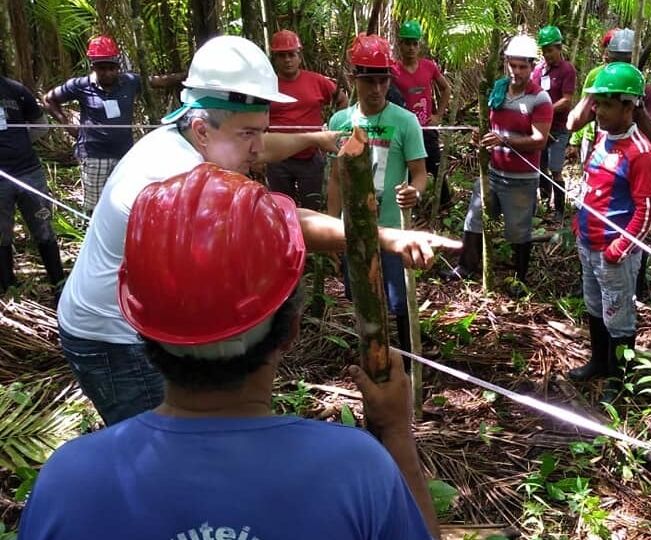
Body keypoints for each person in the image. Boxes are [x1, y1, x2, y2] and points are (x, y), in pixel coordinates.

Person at [57, 35, 458, 428]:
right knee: (165, 450)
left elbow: (258, 147)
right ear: (201, 128)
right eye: (248, 133)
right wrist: (387, 237)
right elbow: (281, 221)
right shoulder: (179, 175)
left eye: (259, 131)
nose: (256, 147)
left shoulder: (188, 136)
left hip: (147, 321)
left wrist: (317, 138)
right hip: (113, 336)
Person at [18, 166, 436, 539]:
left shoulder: (69, 481)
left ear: (138, 324)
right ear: (290, 328)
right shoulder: (356, 471)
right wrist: (397, 433)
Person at [327, 34, 428, 355]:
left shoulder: (405, 121)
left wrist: (415, 191)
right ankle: (372, 354)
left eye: (382, 80)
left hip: (392, 230)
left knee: (399, 300)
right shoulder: (340, 121)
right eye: (368, 80)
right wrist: (331, 227)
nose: (376, 89)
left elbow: (420, 173)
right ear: (354, 79)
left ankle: (409, 357)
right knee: (361, 295)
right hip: (353, 229)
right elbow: (334, 179)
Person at [565, 63, 651, 403]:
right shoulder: (604, 138)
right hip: (588, 243)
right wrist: (579, 226)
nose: (598, 111)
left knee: (619, 316)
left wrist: (619, 247)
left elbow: (648, 211)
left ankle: (621, 379)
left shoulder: (641, 153)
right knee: (594, 306)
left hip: (613, 251)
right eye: (597, 104)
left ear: (628, 106)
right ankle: (598, 362)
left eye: (606, 105)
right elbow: (592, 186)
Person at [445, 34, 553, 296]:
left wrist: (505, 139)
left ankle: (518, 279)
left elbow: (539, 140)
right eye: (512, 65)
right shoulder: (498, 90)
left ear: (532, 66)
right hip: (492, 172)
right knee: (474, 220)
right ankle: (467, 266)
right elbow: (491, 126)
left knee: (518, 230)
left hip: (521, 178)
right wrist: (480, 134)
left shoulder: (540, 100)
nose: (516, 72)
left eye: (522, 66)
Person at [566, 28, 651, 299]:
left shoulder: (645, 91)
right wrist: (595, 96)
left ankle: (636, 288)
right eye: (614, 58)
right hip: (602, 153)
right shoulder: (598, 80)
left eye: (625, 58)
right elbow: (572, 123)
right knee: (596, 305)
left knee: (620, 306)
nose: (618, 63)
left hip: (627, 171)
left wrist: (637, 106)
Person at [42, 35, 141, 214]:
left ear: (118, 65)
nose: (108, 73)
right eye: (102, 68)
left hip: (124, 155)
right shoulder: (81, 85)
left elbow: (156, 82)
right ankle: (90, 237)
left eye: (112, 68)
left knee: (124, 201)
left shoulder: (129, 81)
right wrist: (66, 124)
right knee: (94, 207)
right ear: (93, 66)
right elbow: (49, 99)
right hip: (94, 156)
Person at [0, 77, 65, 295]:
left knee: (43, 229)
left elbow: (40, 126)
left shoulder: (15, 89)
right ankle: (9, 287)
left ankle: (58, 283)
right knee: (2, 234)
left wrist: (18, 142)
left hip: (29, 172)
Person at [266, 29, 339, 211]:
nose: (288, 60)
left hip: (310, 156)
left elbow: (342, 101)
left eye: (292, 54)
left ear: (299, 56)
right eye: (282, 56)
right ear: (275, 58)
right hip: (278, 158)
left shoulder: (317, 81)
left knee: (312, 208)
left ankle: (311, 240)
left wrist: (334, 126)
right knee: (281, 209)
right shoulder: (266, 85)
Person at [568, 28, 651, 152]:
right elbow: (573, 124)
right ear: (608, 61)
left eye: (626, 62)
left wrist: (638, 108)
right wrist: (594, 92)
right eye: (616, 62)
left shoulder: (648, 92)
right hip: (604, 156)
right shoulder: (603, 92)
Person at [391, 20, 453, 205]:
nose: (411, 48)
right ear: (400, 44)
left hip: (427, 128)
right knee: (409, 169)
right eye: (407, 43)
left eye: (414, 43)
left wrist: (438, 115)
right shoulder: (393, 69)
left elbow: (446, 89)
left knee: (435, 165)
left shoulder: (429, 66)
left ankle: (445, 203)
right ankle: (412, 205)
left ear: (419, 45)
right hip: (404, 131)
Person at [531, 25, 576, 222]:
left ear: (559, 48)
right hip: (541, 127)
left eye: (550, 50)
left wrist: (546, 110)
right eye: (544, 50)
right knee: (540, 166)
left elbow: (567, 99)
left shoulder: (567, 69)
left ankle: (559, 210)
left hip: (558, 128)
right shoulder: (539, 70)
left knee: (556, 168)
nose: (547, 54)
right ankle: (544, 204)